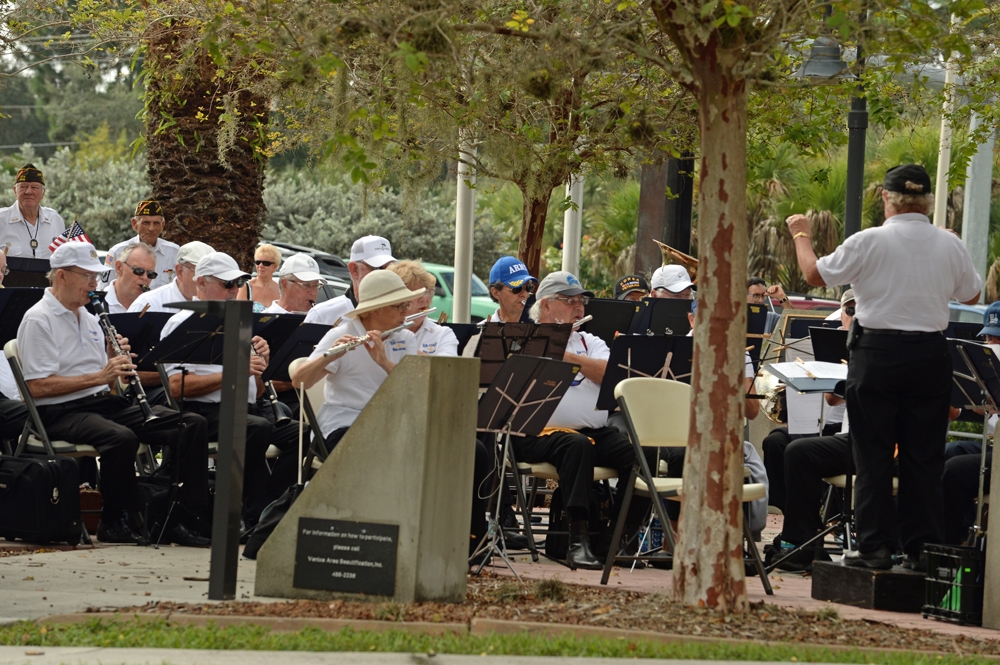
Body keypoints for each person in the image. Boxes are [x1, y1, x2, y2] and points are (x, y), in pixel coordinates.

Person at [787, 163, 982, 570]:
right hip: (930, 353)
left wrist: (801, 234)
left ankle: (874, 547)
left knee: (872, 452)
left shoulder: (870, 240)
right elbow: (972, 290)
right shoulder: (949, 244)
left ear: (886, 199)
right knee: (924, 456)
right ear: (928, 202)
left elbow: (812, 273)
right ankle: (920, 549)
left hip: (877, 353)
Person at [16, 241, 210, 546]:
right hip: (58, 411)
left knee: (190, 424)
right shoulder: (39, 319)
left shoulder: (90, 317)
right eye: (87, 276)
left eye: (96, 277)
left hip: (98, 404)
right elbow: (36, 387)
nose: (95, 284)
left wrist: (112, 360)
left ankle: (177, 515)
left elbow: (104, 384)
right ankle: (113, 520)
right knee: (121, 437)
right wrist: (101, 374)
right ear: (62, 276)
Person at [292, 270, 493, 560]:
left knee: (471, 449)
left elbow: (414, 392)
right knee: (382, 450)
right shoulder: (341, 332)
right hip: (345, 425)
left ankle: (470, 543)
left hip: (392, 423)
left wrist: (385, 362)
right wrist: (330, 356)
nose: (407, 311)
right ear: (375, 309)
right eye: (399, 306)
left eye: (407, 305)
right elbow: (299, 379)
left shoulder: (403, 338)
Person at [160, 251, 297, 527]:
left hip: (246, 410)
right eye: (226, 284)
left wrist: (262, 367)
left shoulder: (239, 323)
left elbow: (256, 393)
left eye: (237, 284)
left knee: (305, 434)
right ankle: (251, 514)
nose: (234, 291)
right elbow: (177, 388)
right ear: (201, 283)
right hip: (206, 412)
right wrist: (233, 372)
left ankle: (271, 505)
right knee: (256, 427)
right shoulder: (181, 323)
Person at [521, 271, 640, 570]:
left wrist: (569, 357)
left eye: (581, 301)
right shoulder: (527, 340)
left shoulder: (590, 341)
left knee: (641, 454)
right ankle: (578, 542)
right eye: (569, 300)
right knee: (576, 446)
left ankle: (616, 537)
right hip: (537, 434)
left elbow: (609, 375)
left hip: (593, 431)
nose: (579, 307)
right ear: (546, 306)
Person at [762, 290, 853, 511]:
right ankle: (791, 513)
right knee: (775, 442)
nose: (855, 314)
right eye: (850, 310)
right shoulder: (826, 338)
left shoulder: (868, 345)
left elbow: (833, 398)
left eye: (861, 309)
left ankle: (825, 515)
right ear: (841, 314)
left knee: (802, 451)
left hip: (847, 431)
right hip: (818, 423)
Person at [305, 235, 396, 326]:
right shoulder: (322, 316)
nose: (385, 274)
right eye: (378, 268)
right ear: (354, 270)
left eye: (389, 268)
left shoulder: (399, 313)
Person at [99, 200, 179, 291]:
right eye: (146, 223)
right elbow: (105, 289)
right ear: (134, 224)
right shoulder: (117, 252)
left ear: (162, 225)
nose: (151, 228)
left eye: (156, 223)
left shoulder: (174, 252)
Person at [388, 260, 458, 355]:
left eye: (427, 292)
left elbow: (445, 367)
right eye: (417, 293)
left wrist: (405, 349)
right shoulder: (384, 330)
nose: (425, 298)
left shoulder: (442, 334)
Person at [127, 241, 214, 314]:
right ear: (180, 272)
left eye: (212, 275)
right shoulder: (149, 305)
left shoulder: (217, 305)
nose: (206, 281)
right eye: (199, 272)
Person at [0, 164, 66, 259]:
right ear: (15, 190)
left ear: (43, 192)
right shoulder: (2, 219)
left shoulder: (55, 220)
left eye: (34, 187)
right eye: (23, 187)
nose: (28, 192)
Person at [103, 243, 158, 314]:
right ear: (119, 268)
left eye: (150, 274)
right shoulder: (94, 306)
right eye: (138, 270)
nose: (144, 277)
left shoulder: (156, 306)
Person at [486, 256, 538, 322]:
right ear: (496, 293)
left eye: (528, 287)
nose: (524, 294)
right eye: (517, 288)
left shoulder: (541, 329)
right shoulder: (481, 330)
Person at [242, 244, 281, 309]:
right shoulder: (245, 288)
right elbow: (239, 315)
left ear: (275, 267)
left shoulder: (281, 291)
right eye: (258, 262)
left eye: (266, 263)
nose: (260, 265)